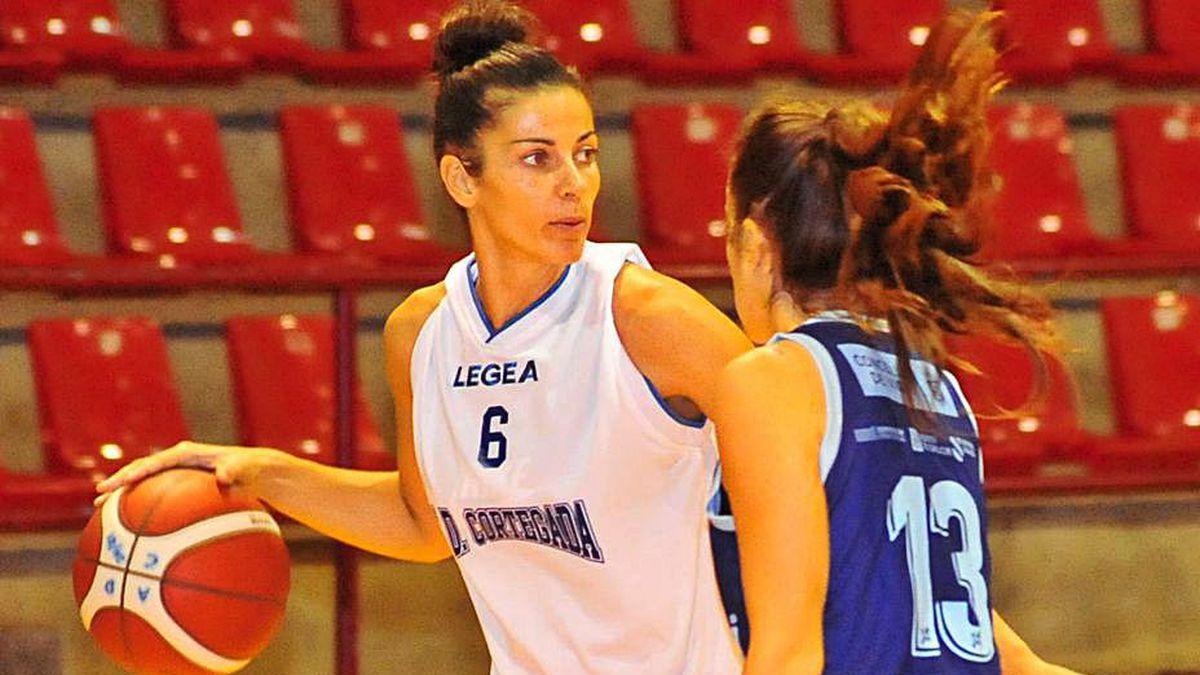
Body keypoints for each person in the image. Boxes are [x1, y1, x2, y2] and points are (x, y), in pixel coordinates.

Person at [95, 1, 750, 672]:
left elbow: (811, 452)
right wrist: (261, 472)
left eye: (585, 155)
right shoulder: (421, 333)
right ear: (461, 179)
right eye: (537, 159)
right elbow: (424, 521)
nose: (573, 184)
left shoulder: (647, 316)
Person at [709, 11, 1079, 674]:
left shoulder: (771, 381)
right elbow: (983, 639)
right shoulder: (932, 378)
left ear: (755, 247)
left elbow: (789, 651)